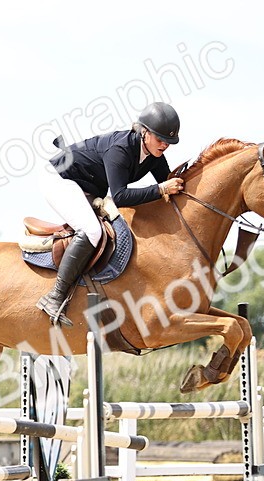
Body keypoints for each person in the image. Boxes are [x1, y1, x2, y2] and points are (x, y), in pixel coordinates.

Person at [36, 101, 185, 326]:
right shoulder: (121, 149)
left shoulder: (154, 155)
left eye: (169, 141)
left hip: (86, 186)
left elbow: (168, 184)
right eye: (160, 138)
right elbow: (121, 196)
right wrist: (161, 189)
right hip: (59, 179)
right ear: (144, 132)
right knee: (92, 231)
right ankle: (54, 297)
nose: (164, 145)